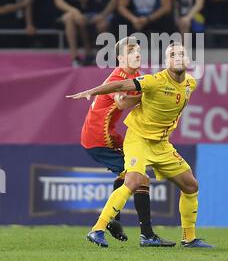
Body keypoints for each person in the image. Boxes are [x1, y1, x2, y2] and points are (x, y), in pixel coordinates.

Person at [67, 42, 214, 249]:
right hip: (118, 138)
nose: (178, 57)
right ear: (166, 62)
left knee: (191, 185)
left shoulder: (190, 83)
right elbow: (120, 94)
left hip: (160, 144)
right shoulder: (149, 80)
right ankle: (100, 228)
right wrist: (92, 91)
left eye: (182, 53)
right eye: (173, 54)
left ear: (189, 60)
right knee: (136, 179)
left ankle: (188, 239)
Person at [77, 36, 175, 246]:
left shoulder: (136, 76)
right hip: (98, 137)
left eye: (138, 50)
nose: (137, 54)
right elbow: (121, 103)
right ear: (120, 57)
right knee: (139, 178)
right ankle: (143, 234)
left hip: (109, 135)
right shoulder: (116, 77)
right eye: (131, 51)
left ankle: (116, 221)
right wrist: (146, 97)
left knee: (131, 175)